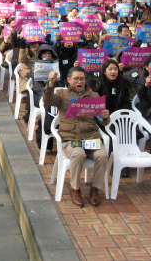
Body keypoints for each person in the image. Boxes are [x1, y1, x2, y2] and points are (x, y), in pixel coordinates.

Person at [43, 68, 110, 207]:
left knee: (102, 155)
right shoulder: (62, 94)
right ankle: (75, 189)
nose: (79, 82)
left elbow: (102, 121)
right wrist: (51, 83)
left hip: (91, 137)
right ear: (69, 80)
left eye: (82, 79)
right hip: (71, 137)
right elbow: (48, 99)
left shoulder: (93, 95)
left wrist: (105, 117)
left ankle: (95, 189)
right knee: (78, 154)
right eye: (76, 79)